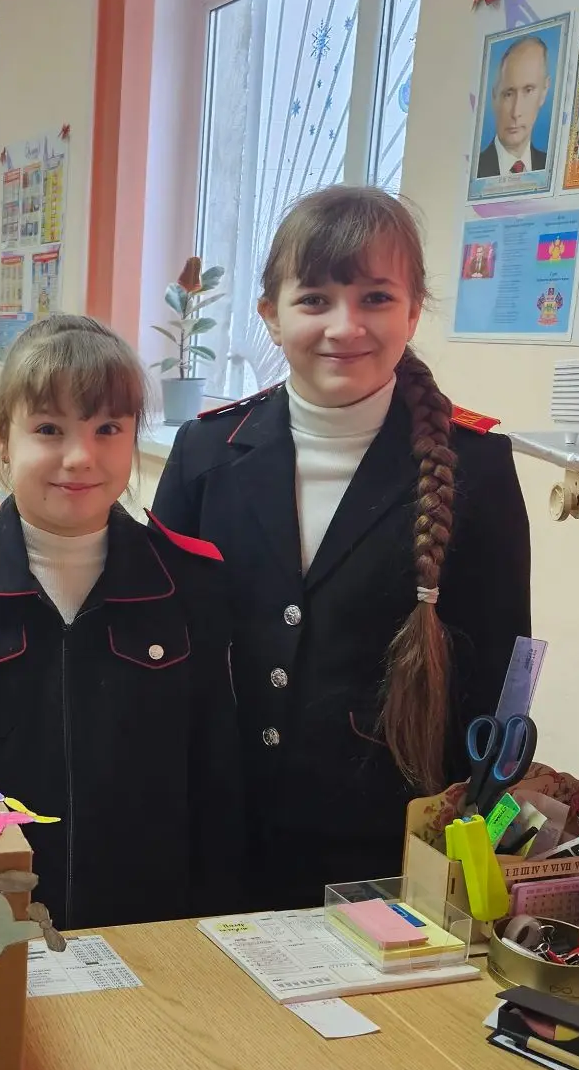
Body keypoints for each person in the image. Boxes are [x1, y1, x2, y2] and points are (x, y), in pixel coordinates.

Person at [153, 186, 532, 909]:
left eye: (376, 298)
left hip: (384, 846)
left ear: (413, 312)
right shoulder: (206, 452)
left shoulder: (477, 468)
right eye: (315, 299)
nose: (345, 326)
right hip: (216, 825)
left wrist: (473, 838)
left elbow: (496, 675)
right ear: (271, 314)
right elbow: (162, 638)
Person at [0, 315, 243, 931]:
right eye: (49, 429)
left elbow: (215, 773)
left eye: (107, 429)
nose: (80, 457)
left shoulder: (192, 581)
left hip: (149, 915)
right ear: (4, 439)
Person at [477, 35, 551, 177]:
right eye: (508, 94)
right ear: (494, 96)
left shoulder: (554, 168)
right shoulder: (471, 171)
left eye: (528, 91)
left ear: (544, 91)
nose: (516, 112)